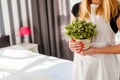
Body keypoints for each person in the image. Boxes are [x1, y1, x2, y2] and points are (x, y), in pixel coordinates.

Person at [69, 0, 120, 80]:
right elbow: (72, 38)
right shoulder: (77, 8)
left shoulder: (115, 8)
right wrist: (72, 45)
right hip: (82, 66)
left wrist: (95, 51)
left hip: (105, 67)